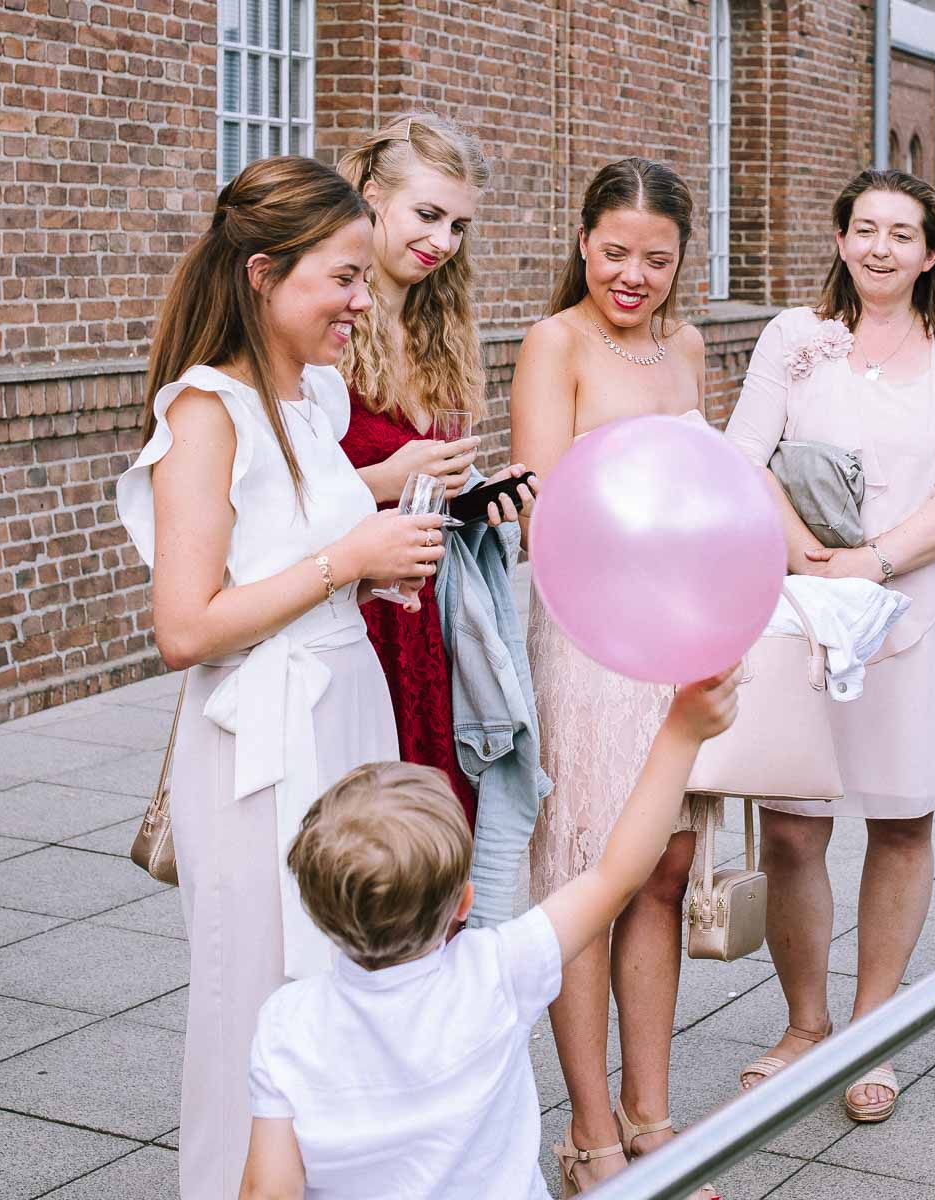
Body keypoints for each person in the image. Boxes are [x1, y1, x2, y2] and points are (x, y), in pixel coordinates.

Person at [114, 155, 446, 1199]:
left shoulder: (316, 399)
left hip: (347, 711)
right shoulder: (205, 414)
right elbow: (184, 627)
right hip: (260, 745)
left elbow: (302, 547)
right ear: (264, 273)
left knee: (354, 988)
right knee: (257, 1004)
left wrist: (372, 564)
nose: (363, 299)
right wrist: (346, 563)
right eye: (342, 278)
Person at [234, 668, 741, 1200]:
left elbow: (265, 1192)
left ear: (317, 913)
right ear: (464, 903)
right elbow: (616, 875)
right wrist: (679, 735)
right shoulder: (498, 971)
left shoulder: (286, 1025)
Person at [722, 168, 935, 1122]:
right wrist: (806, 555)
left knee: (901, 819)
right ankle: (805, 1025)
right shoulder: (796, 341)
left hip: (915, 613)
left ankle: (873, 1031)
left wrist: (874, 562)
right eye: (865, 228)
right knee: (795, 826)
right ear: (841, 240)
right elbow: (744, 452)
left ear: (930, 254)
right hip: (806, 612)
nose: (882, 247)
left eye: (903, 233)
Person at [508, 157, 715, 1195]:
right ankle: (589, 1134)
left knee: (665, 872)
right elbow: (547, 512)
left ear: (683, 263)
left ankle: (652, 1114)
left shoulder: (685, 346)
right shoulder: (556, 344)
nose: (633, 275)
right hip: (591, 643)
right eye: (616, 252)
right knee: (589, 875)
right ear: (583, 242)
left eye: (658, 259)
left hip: (678, 637)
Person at [336, 112, 537, 838]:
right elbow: (274, 491)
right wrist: (390, 476)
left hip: (425, 614)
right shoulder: (323, 320)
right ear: (369, 194)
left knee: (432, 834)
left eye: (458, 225)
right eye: (427, 214)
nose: (443, 242)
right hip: (349, 610)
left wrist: (476, 497)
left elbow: (423, 485)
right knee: (361, 836)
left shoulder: (440, 324)